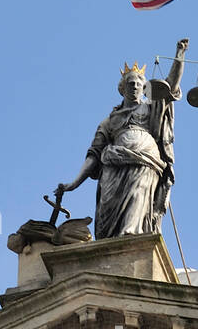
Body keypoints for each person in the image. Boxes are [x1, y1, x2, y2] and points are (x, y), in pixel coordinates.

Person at [55, 38, 188, 238]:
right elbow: (93, 155)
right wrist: (74, 183)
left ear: (144, 88)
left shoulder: (151, 107)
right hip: (112, 166)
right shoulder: (109, 121)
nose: (135, 86)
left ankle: (132, 236)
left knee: (137, 199)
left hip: (144, 162)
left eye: (138, 84)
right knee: (108, 213)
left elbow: (170, 85)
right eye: (130, 83)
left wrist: (179, 56)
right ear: (122, 88)